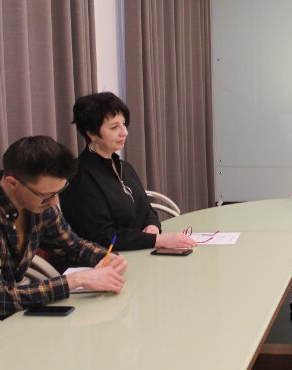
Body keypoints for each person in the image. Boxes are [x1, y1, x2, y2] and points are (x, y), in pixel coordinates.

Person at [0, 136, 127, 318]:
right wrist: (74, 281)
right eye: (47, 195)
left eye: (58, 192)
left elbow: (72, 245)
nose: (54, 202)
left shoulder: (38, 205)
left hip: (14, 316)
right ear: (12, 183)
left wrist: (106, 257)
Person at [60, 92, 195, 255]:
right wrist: (157, 240)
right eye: (114, 127)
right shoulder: (80, 176)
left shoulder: (124, 167)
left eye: (124, 124)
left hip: (139, 252)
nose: (124, 132)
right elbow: (101, 236)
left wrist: (153, 226)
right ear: (91, 133)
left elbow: (147, 210)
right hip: (105, 260)